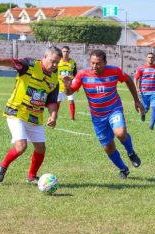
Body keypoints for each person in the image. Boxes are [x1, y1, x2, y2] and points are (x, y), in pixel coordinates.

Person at [0, 46, 62, 184]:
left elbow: (52, 101)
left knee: (41, 148)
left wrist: (53, 116)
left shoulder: (54, 78)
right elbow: (10, 62)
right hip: (16, 111)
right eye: (52, 61)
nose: (55, 65)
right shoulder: (30, 65)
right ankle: (2, 166)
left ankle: (32, 176)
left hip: (35, 116)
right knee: (21, 146)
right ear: (44, 57)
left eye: (57, 62)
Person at [62, 49, 145, 179]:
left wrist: (136, 100)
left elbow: (128, 80)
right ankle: (123, 169)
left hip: (114, 110)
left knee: (120, 133)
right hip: (97, 117)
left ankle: (131, 152)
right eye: (92, 63)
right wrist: (67, 86)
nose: (95, 66)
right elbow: (69, 92)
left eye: (98, 63)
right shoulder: (83, 75)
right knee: (108, 147)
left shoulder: (114, 71)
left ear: (105, 62)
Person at [134, 52, 155, 130]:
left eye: (152, 57)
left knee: (154, 107)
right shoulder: (141, 68)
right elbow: (136, 78)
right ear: (146, 58)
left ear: (154, 59)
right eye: (149, 57)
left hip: (154, 92)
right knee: (145, 109)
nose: (150, 59)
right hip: (143, 92)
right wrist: (136, 88)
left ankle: (151, 126)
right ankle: (143, 114)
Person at [57, 46, 77, 121]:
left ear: (69, 52)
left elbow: (75, 74)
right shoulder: (58, 61)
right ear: (61, 52)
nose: (65, 53)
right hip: (60, 85)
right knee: (58, 101)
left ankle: (72, 118)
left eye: (67, 51)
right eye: (64, 51)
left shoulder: (72, 62)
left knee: (71, 101)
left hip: (70, 86)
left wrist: (76, 85)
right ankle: (55, 116)